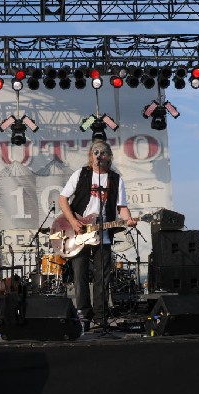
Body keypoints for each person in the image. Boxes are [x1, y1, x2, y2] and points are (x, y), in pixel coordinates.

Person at [58, 140, 136, 330]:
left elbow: (121, 207)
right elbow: (62, 198)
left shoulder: (116, 179)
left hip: (103, 234)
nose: (98, 155)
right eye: (95, 152)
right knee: (80, 275)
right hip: (79, 232)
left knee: (103, 276)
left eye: (102, 152)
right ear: (90, 156)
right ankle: (84, 314)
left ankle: (101, 317)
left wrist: (129, 220)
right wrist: (74, 222)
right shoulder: (81, 174)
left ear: (108, 157)